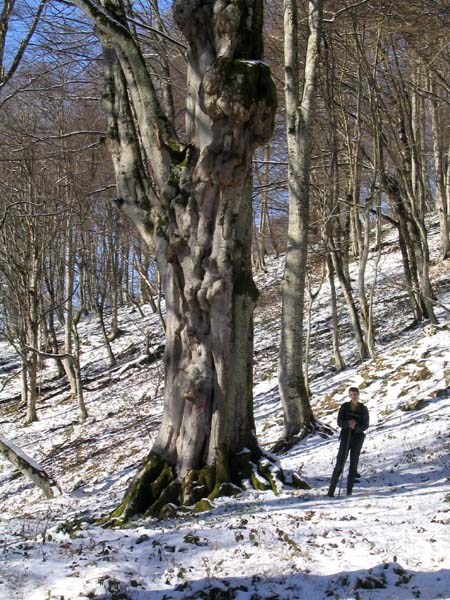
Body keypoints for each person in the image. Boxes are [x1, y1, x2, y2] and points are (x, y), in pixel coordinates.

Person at [327, 386, 369, 497]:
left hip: (358, 438)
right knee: (340, 463)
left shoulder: (363, 409)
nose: (353, 396)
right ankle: (331, 491)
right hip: (346, 437)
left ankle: (349, 491)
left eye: (355, 394)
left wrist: (356, 426)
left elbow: (365, 425)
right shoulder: (344, 407)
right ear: (349, 395)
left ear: (358, 395)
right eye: (351, 394)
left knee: (353, 464)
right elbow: (339, 421)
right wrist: (347, 423)